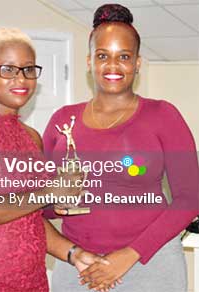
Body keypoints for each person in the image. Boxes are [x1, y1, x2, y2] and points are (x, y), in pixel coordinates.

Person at [44, 4, 199, 291]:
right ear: (89, 61)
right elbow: (43, 208)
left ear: (137, 63)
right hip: (80, 268)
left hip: (150, 266)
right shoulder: (63, 121)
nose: (113, 66)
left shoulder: (163, 116)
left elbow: (189, 199)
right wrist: (59, 202)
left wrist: (128, 256)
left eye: (124, 57)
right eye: (103, 56)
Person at [0, 28, 105, 291]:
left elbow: (28, 217)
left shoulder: (32, 137)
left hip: (32, 278)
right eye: (8, 69)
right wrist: (50, 191)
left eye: (28, 69)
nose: (20, 79)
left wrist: (73, 253)